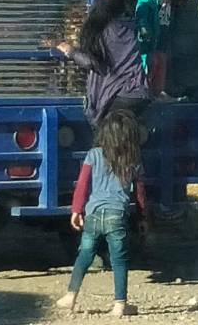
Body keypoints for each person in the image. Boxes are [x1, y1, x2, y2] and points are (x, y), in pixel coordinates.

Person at [55, 110, 149, 317]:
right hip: (117, 216)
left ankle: (70, 296)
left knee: (85, 254)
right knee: (119, 260)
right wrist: (142, 218)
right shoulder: (133, 160)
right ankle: (119, 305)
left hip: (94, 214)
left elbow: (82, 185)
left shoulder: (93, 155)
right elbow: (140, 193)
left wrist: (76, 210)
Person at [56, 0, 150, 127]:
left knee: (106, 143)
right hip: (141, 93)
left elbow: (90, 63)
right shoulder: (130, 25)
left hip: (118, 96)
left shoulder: (99, 30)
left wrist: (70, 51)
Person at [135, 0, 185, 96]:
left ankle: (158, 93)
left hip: (162, 40)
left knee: (161, 66)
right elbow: (142, 11)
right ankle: (146, 93)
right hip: (149, 43)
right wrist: (144, 27)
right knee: (150, 68)